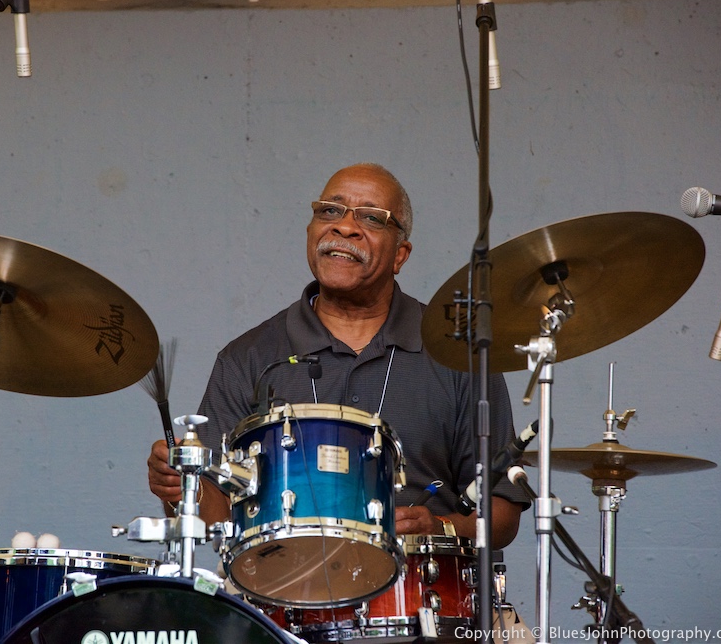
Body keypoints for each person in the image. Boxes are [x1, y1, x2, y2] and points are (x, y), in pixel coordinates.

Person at [147, 162, 529, 549]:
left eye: (372, 218)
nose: (344, 226)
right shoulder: (247, 357)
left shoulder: (458, 354)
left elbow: (502, 510)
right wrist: (181, 487)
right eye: (330, 210)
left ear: (400, 255)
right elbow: (218, 516)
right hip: (283, 593)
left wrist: (442, 526)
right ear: (311, 232)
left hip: (420, 595)